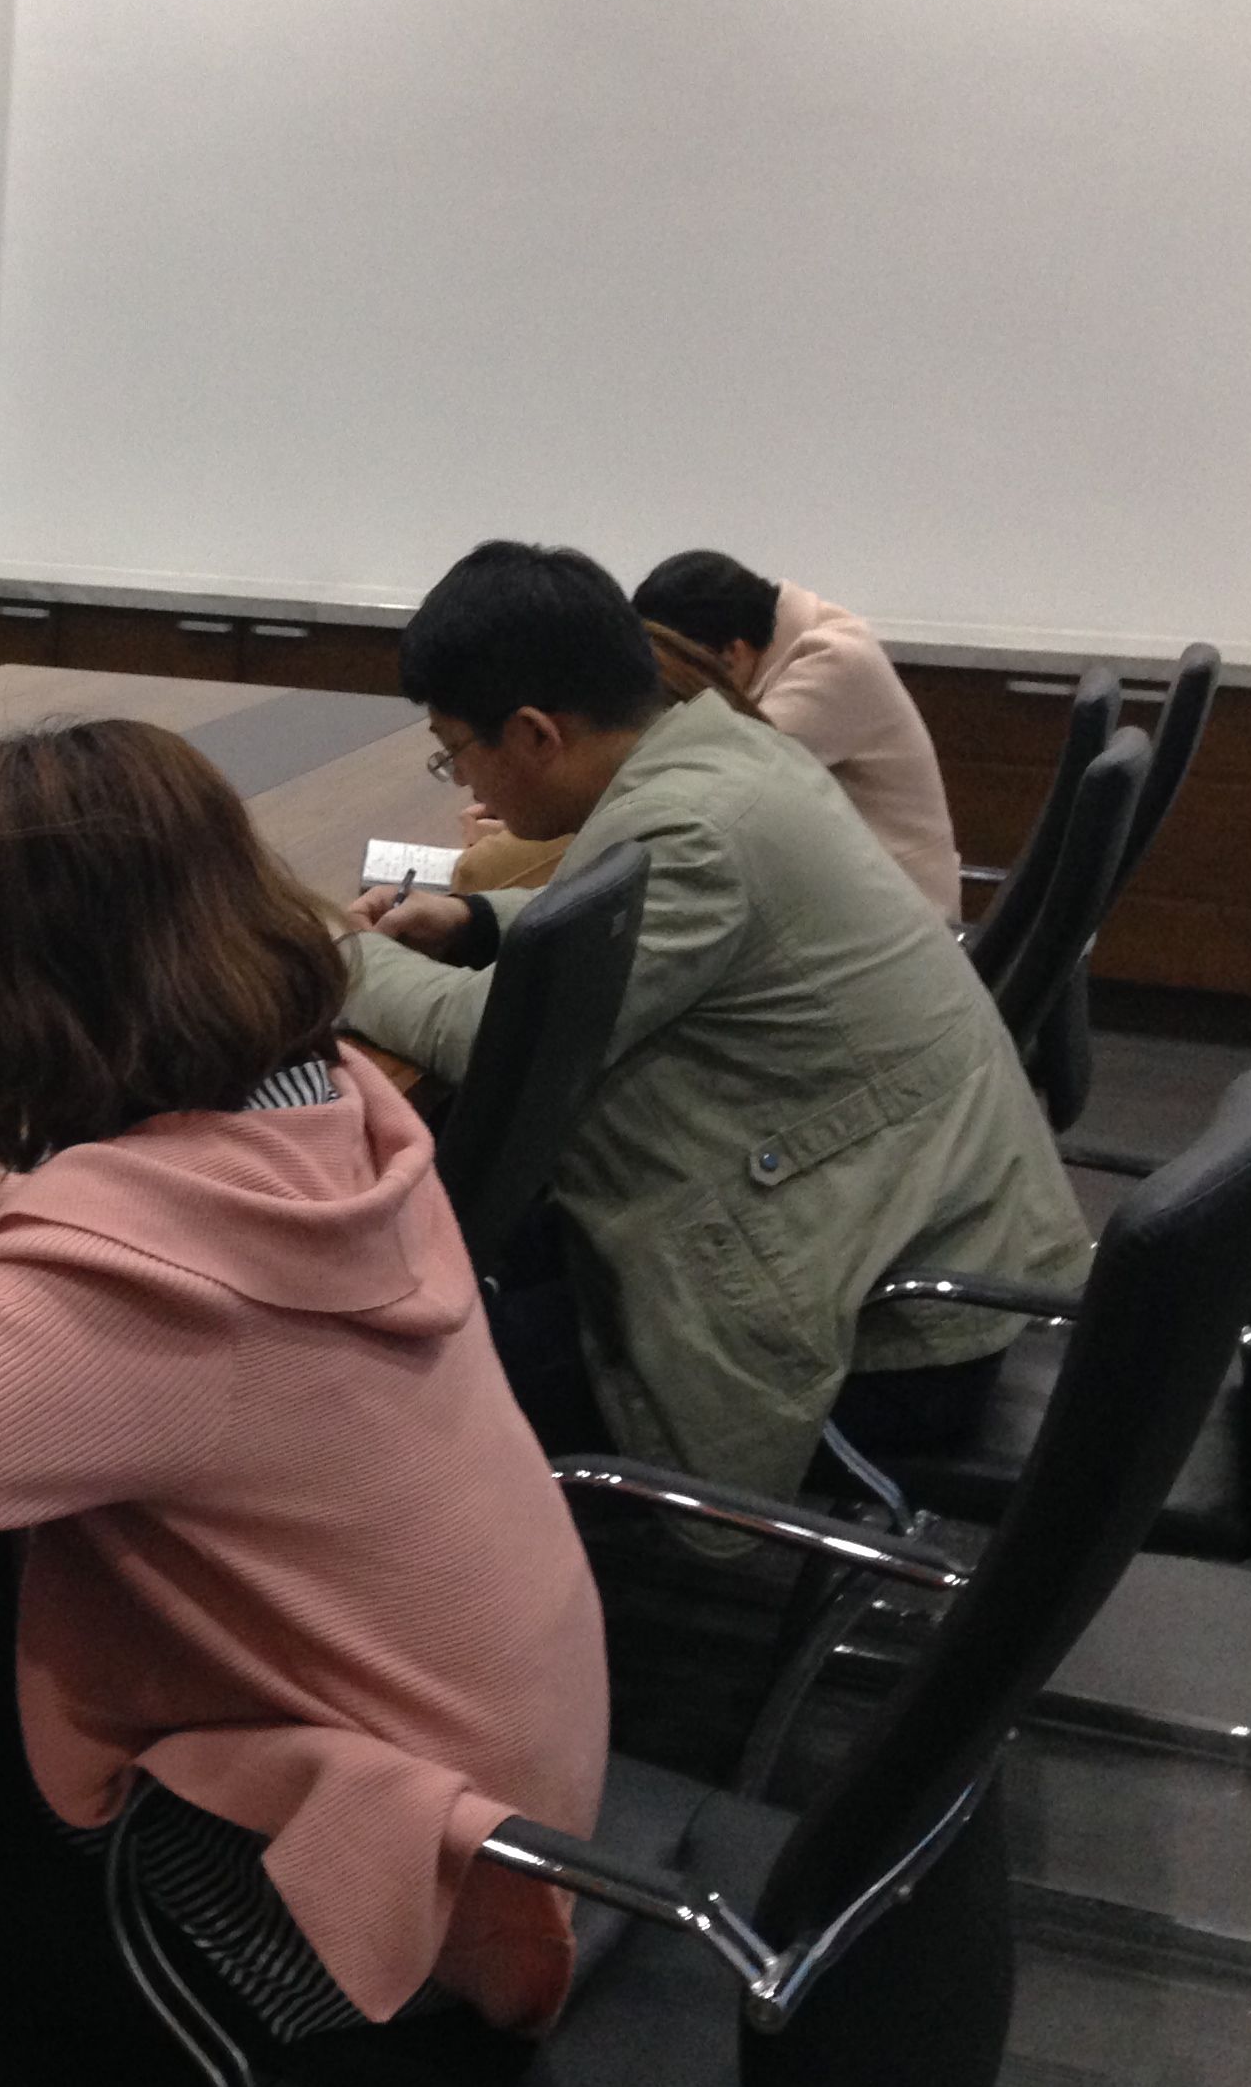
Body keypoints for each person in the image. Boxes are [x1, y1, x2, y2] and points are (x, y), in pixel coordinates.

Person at [0, 719, 606, 2087]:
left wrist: (6, 1257)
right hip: (499, 1792)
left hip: (367, 1896)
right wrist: (6, 1206)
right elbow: (160, 1235)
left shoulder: (145, 1289)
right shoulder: (335, 1113)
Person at [341, 541, 1086, 1496]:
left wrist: (339, 960)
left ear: (533, 734)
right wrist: (478, 918)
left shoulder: (693, 827)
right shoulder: (718, 752)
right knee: (475, 1258)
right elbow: (623, 916)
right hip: (891, 1223)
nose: (467, 785)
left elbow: (494, 1039)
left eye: (455, 753)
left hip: (889, 1333)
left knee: (393, 1376)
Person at [631, 548, 962, 917]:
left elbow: (723, 773)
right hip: (844, 891)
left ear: (732, 653)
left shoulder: (834, 660)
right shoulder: (783, 642)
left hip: (904, 909)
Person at [447, 619, 764, 893]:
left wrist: (513, 844)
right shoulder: (743, 749)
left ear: (539, 734)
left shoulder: (672, 823)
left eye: (455, 749)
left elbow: (479, 877)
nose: (462, 779)